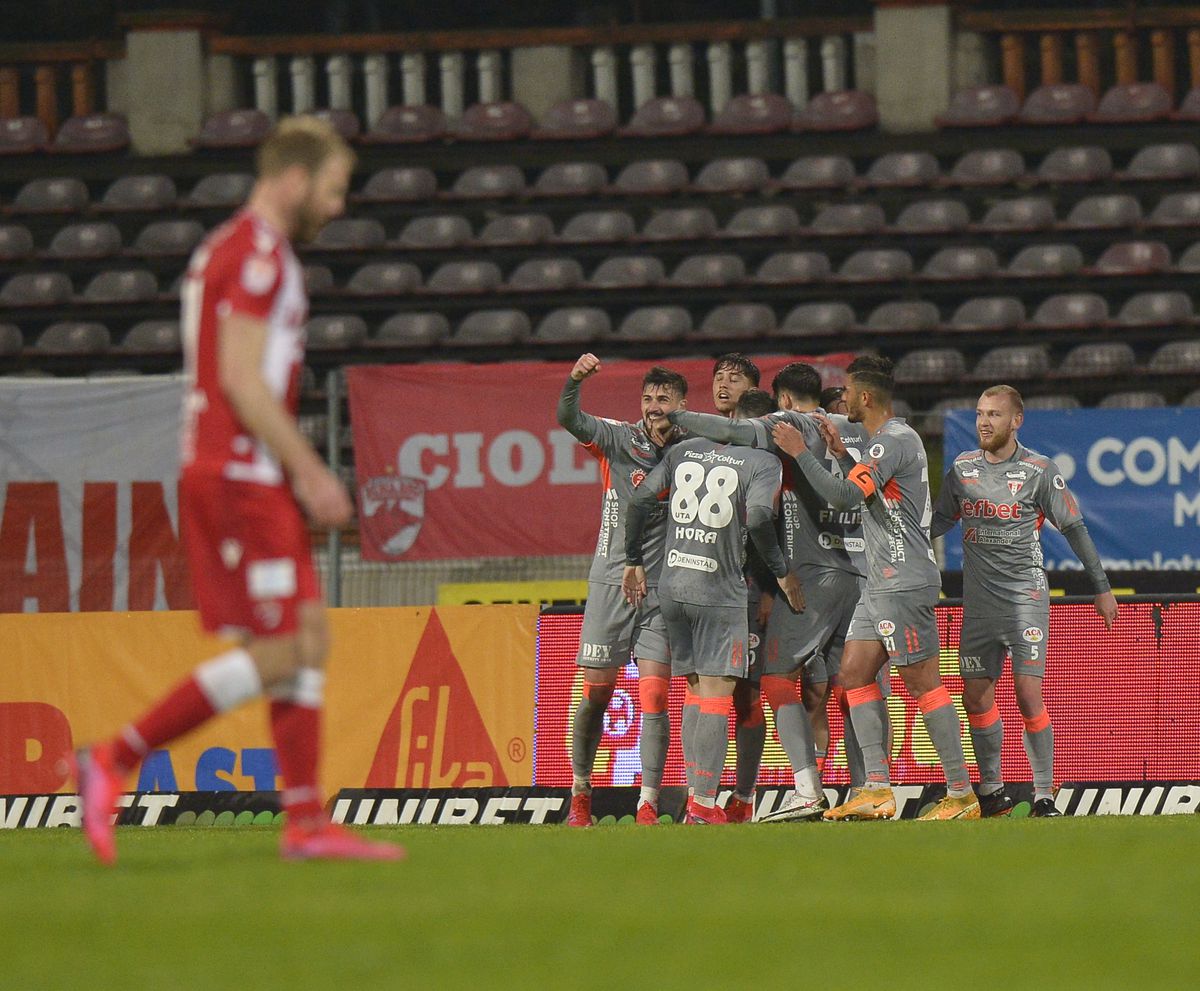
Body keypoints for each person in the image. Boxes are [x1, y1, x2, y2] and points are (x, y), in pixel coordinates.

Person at [72, 116, 403, 863]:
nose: (338, 205)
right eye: (334, 188)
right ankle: (116, 757)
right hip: (237, 476)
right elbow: (241, 380)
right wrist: (312, 471)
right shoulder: (258, 256)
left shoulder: (226, 247)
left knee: (308, 636)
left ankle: (307, 821)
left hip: (239, 473)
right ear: (294, 179)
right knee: (285, 650)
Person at [667, 362, 882, 821]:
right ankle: (871, 788)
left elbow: (736, 437)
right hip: (869, 577)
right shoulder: (856, 431)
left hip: (815, 577)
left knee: (776, 680)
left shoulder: (792, 426)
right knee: (857, 684)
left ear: (782, 399)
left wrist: (677, 416)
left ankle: (806, 788)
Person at [771, 355, 980, 821]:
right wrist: (843, 454)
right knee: (854, 673)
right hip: (878, 583)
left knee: (923, 683)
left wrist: (799, 451)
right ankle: (877, 788)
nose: (840, 398)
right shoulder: (881, 445)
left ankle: (963, 794)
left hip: (901, 581)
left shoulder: (894, 441)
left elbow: (846, 496)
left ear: (864, 397)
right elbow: (872, 488)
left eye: (845, 391)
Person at [932, 385, 1118, 818]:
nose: (984, 422)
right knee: (975, 695)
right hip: (978, 604)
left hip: (1024, 597)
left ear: (1016, 420)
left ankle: (1043, 795)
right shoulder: (961, 468)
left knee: (1026, 692)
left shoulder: (1038, 470)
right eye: (979, 413)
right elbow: (940, 519)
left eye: (994, 414)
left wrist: (1102, 586)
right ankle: (992, 792)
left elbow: (1073, 526)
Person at [621, 430, 803, 824]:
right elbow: (757, 517)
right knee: (719, 699)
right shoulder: (763, 461)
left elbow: (637, 500)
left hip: (672, 587)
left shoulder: (685, 450)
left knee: (695, 694)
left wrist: (633, 558)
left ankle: (694, 796)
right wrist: (781, 572)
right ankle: (703, 804)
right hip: (717, 591)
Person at [556, 353, 689, 826]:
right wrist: (575, 380)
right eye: (648, 398)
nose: (654, 406)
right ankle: (581, 793)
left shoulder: (691, 450)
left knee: (655, 695)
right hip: (611, 583)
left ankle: (648, 803)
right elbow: (568, 418)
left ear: (680, 403)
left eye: (663, 398)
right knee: (597, 693)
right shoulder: (618, 438)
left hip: (661, 591)